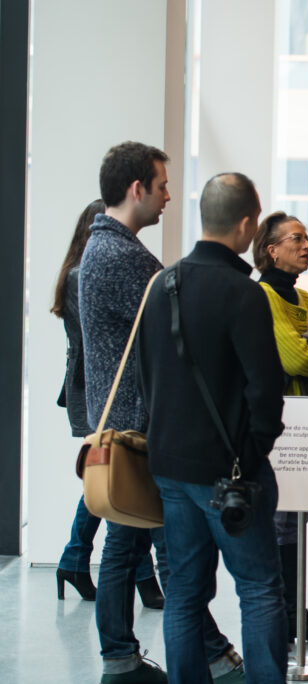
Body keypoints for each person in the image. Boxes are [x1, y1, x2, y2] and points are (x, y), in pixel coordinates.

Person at [79, 142, 241, 683]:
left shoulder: (99, 249)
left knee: (131, 543)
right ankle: (210, 656)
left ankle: (122, 657)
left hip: (122, 423)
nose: (170, 195)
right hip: (141, 427)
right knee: (174, 552)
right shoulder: (125, 258)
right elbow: (182, 323)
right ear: (136, 189)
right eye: (162, 184)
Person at [137, 172, 289, 683]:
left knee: (184, 589)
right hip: (231, 475)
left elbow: (145, 376)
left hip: (170, 468)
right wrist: (253, 451)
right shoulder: (244, 295)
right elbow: (266, 393)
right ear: (247, 224)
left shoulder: (162, 285)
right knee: (259, 588)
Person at [53, 199, 165, 609]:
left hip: (96, 387)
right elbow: (99, 344)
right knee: (114, 476)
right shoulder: (83, 274)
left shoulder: (81, 271)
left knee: (110, 477)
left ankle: (75, 560)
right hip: (94, 388)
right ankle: (138, 576)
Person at [250, 211, 308, 645]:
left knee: (297, 522)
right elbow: (300, 359)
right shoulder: (264, 296)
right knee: (281, 525)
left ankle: (294, 613)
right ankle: (283, 615)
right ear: (272, 250)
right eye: (297, 239)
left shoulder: (304, 301)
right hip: (279, 429)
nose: (307, 246)